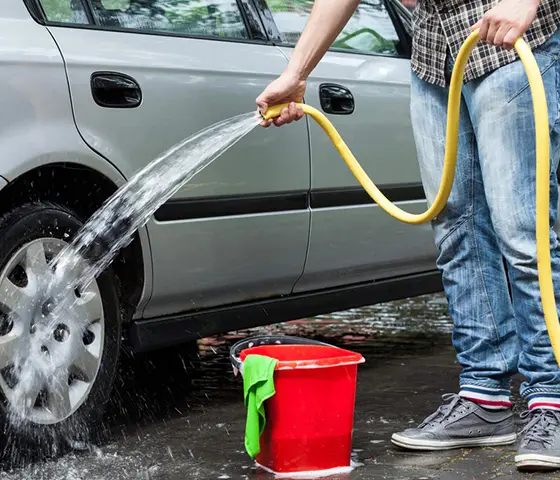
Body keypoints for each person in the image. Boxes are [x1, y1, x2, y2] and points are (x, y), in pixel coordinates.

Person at [255, 0, 560, 472]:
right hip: (435, 60)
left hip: (514, 45)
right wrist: (296, 72)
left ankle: (552, 402)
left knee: (524, 233)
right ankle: (485, 398)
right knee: (457, 229)